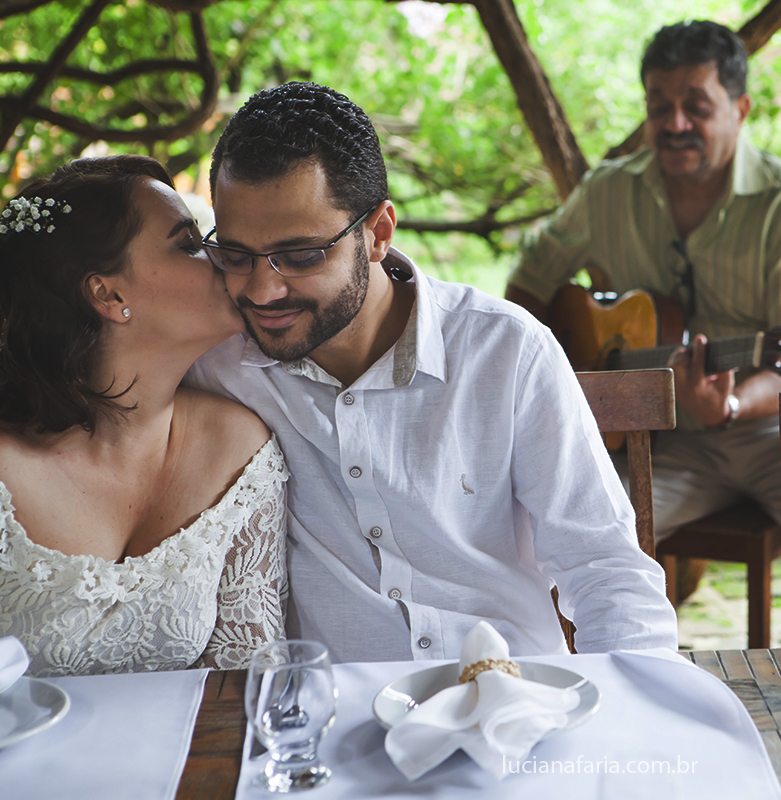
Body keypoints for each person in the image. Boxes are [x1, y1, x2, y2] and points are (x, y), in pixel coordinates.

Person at [186, 82, 677, 664]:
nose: (263, 290)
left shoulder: (507, 351)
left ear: (378, 233)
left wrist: (630, 715)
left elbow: (605, 567)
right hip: (338, 722)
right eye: (236, 255)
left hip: (514, 702)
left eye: (301, 255)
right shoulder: (217, 368)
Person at [505, 20, 781, 642]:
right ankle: (570, 697)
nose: (674, 124)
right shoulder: (609, 193)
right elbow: (529, 284)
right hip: (652, 440)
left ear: (741, 108)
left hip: (775, 430)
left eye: (696, 106)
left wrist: (728, 403)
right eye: (658, 107)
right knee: (551, 535)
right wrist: (571, 382)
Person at [0, 155, 288, 676]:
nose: (221, 258)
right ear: (109, 294)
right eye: (189, 244)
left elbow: (250, 679)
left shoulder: (238, 449)